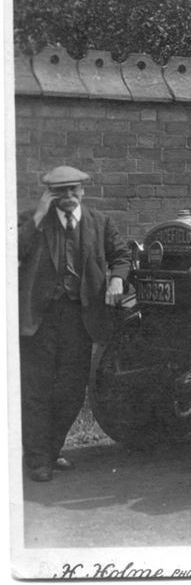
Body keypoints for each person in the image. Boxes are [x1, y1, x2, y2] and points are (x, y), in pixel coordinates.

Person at [18, 166, 130, 482]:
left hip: (81, 319)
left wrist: (118, 280)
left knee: (69, 392)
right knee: (37, 391)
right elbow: (11, 250)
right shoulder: (33, 221)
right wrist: (39, 215)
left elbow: (121, 256)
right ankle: (38, 460)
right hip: (39, 319)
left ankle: (52, 451)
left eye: (73, 190)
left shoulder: (99, 222)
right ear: (50, 195)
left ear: (82, 191)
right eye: (60, 192)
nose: (68, 197)